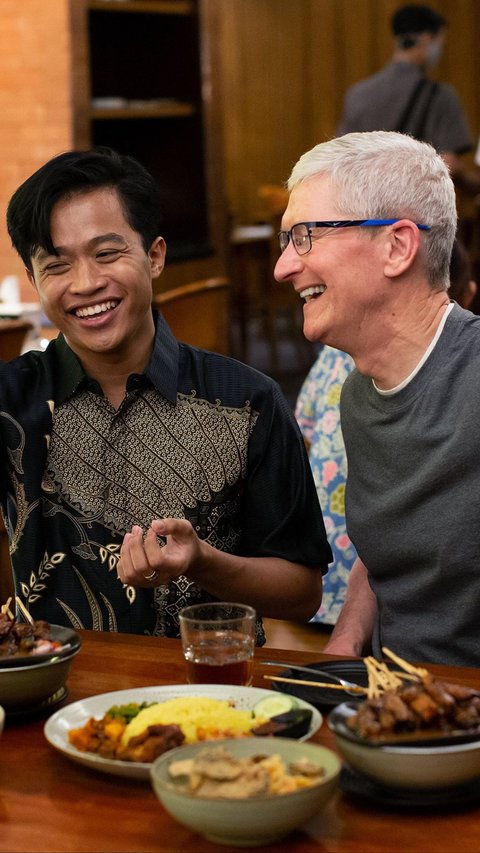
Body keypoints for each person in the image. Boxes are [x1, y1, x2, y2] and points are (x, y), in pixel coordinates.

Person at [3, 146, 331, 640]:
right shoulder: (9, 402)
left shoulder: (248, 402)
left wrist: (203, 561)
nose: (87, 283)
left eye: (106, 253)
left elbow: (303, 594)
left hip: (215, 697)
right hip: (56, 700)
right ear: (32, 279)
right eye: (56, 265)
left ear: (154, 256)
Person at [274, 129, 480, 667]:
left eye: (305, 235)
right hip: (388, 706)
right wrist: (344, 644)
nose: (283, 267)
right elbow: (392, 550)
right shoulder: (358, 394)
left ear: (397, 246)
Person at [336, 4, 473, 181]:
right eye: (439, 43)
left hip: (364, 202)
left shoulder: (357, 93)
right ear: (426, 39)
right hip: (415, 203)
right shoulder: (440, 95)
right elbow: (449, 164)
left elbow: (342, 156)